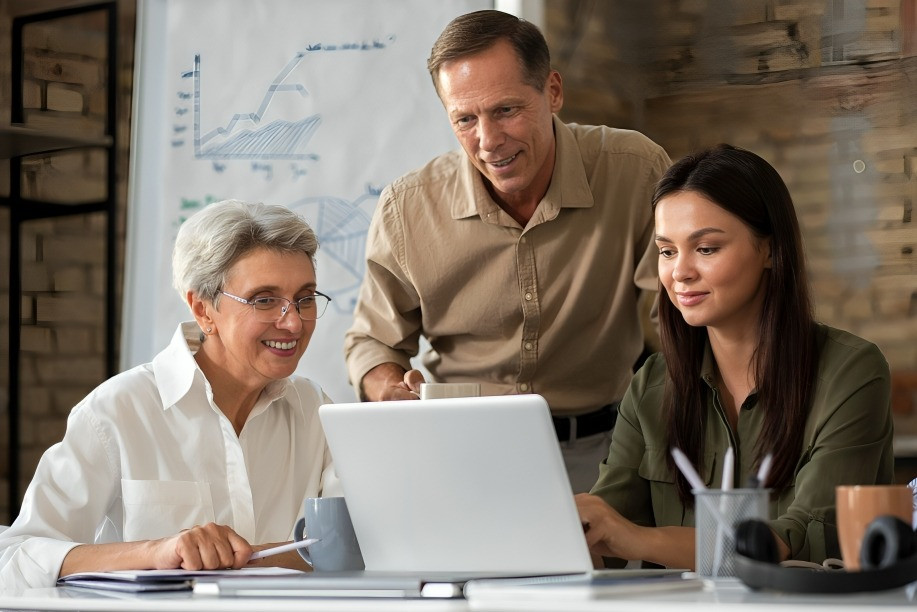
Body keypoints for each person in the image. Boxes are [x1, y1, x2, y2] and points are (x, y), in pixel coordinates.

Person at [343, 9, 672, 493]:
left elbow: (679, 314)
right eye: (465, 119)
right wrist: (387, 388)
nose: (488, 140)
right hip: (457, 450)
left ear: (553, 92)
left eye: (506, 110)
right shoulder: (408, 207)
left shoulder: (634, 169)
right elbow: (371, 341)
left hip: (603, 453)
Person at [576, 144, 894, 568]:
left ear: (771, 251)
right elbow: (605, 528)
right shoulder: (652, 382)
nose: (679, 272)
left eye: (705, 248)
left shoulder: (852, 372)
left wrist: (635, 540)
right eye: (667, 251)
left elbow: (794, 539)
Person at [0, 200, 340, 592]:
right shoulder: (117, 410)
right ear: (202, 309)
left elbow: (355, 543)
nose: (294, 321)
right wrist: (158, 552)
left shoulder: (315, 409)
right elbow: (15, 555)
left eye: (306, 298)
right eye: (264, 299)